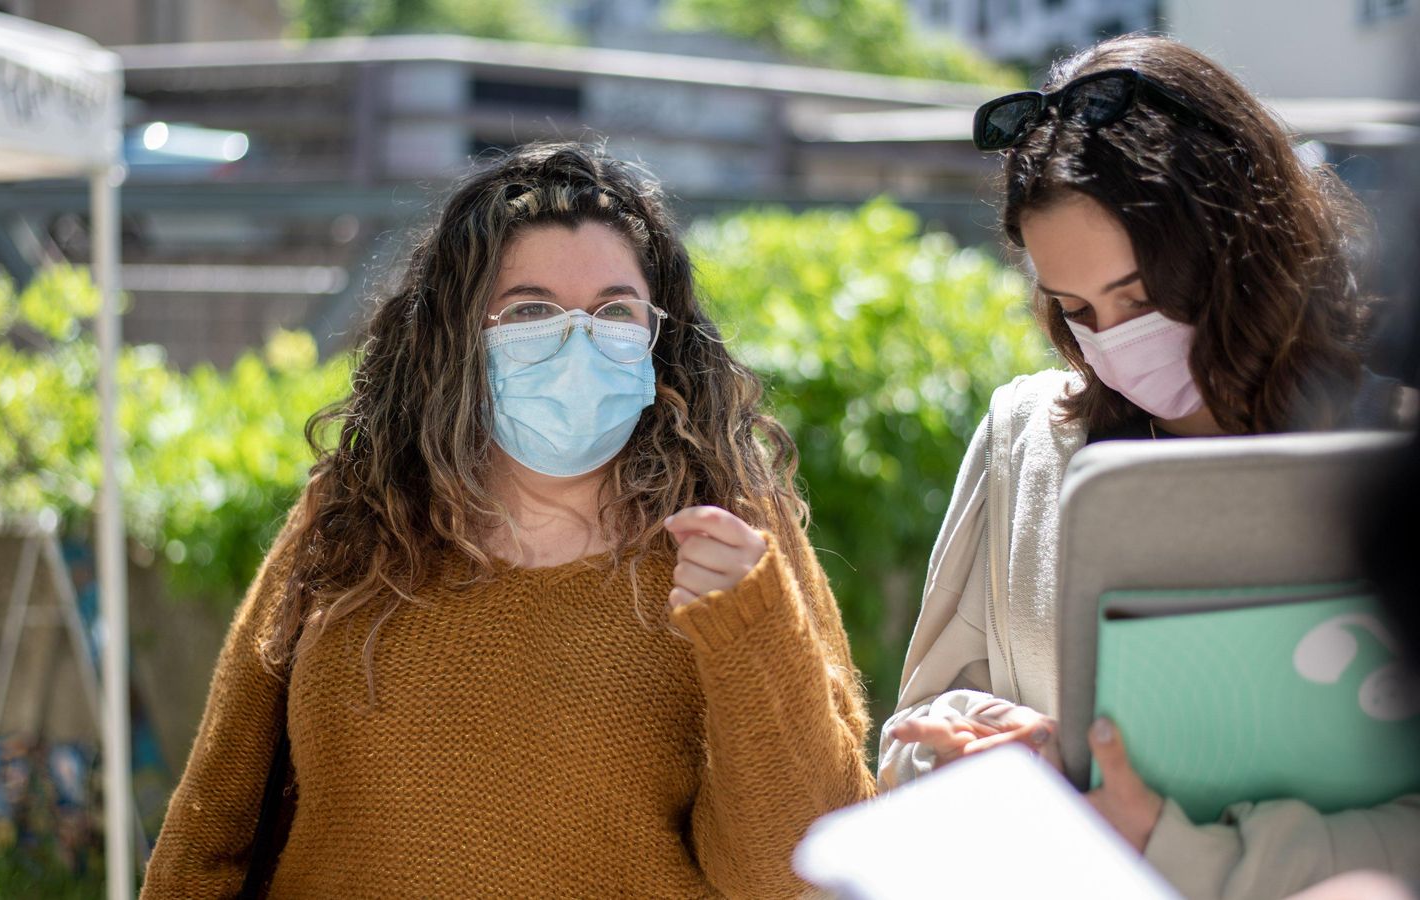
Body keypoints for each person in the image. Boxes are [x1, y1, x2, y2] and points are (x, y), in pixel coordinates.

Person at [140, 142, 875, 898]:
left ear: (658, 338)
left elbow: (796, 876)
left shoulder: (730, 535)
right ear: (458, 334)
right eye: (531, 310)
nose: (578, 340)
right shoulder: (356, 508)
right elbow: (209, 825)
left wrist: (748, 635)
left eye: (614, 311)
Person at [877, 35, 1419, 900]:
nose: (1116, 342)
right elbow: (912, 736)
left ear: (1245, 242)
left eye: (1141, 296)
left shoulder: (1392, 448)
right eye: (1077, 309)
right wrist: (979, 752)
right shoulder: (1027, 435)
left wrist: (1179, 848)